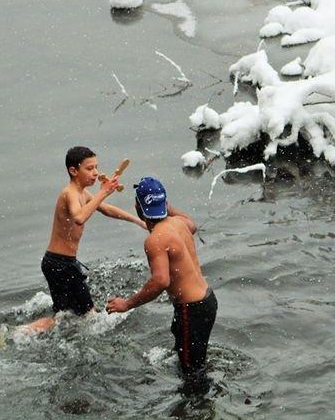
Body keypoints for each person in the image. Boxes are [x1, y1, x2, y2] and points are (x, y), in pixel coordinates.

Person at [106, 177, 217, 383]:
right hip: (208, 301)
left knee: (191, 377)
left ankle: (198, 409)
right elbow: (192, 224)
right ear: (165, 204)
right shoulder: (179, 223)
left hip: (190, 309)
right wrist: (168, 207)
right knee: (192, 360)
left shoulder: (155, 240)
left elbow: (160, 281)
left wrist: (127, 304)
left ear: (138, 208)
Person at [27, 147, 145, 333]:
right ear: (73, 171)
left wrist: (138, 221)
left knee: (67, 316)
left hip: (61, 263)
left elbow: (106, 209)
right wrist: (103, 192)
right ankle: (17, 333)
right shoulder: (70, 193)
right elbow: (79, 217)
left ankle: (20, 332)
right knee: (83, 317)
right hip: (60, 264)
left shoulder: (82, 192)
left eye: (96, 167)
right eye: (89, 168)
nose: (96, 173)